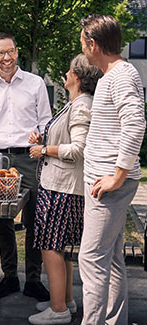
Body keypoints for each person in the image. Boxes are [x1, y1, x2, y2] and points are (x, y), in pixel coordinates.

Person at [78, 15, 146, 324]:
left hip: (109, 185)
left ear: (93, 44)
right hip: (106, 181)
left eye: (83, 42)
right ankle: (114, 320)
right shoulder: (113, 75)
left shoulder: (120, 76)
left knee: (91, 258)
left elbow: (135, 125)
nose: (82, 47)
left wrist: (117, 176)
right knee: (113, 258)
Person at [27, 54, 103, 324]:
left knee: (51, 247)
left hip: (62, 189)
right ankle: (65, 300)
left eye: (70, 70)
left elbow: (78, 149)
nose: (66, 73)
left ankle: (58, 310)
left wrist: (43, 149)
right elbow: (68, 137)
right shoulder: (75, 103)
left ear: (78, 78)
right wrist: (44, 137)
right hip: (58, 186)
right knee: (60, 246)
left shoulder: (81, 105)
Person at [0, 32, 52, 300]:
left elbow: (46, 121)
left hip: (30, 158)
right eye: (1, 53)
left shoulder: (35, 84)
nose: (6, 57)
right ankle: (9, 277)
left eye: (11, 51)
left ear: (17, 52)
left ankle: (33, 279)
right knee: (2, 220)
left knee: (34, 219)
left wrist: (40, 137)